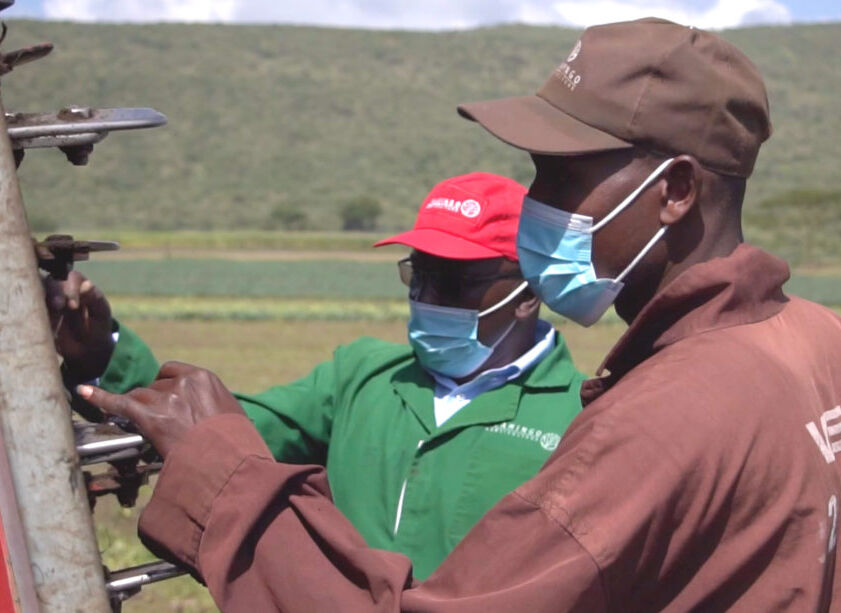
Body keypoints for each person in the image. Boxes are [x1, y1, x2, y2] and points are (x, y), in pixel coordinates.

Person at [78, 17, 841, 612]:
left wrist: (222, 487)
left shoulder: (656, 421)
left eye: (562, 175)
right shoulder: (831, 343)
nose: (537, 205)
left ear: (675, 191)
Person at [51, 172, 586, 580]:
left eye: (453, 281)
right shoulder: (361, 377)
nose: (425, 297)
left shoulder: (578, 417)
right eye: (417, 275)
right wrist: (103, 353)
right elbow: (217, 430)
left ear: (528, 293)